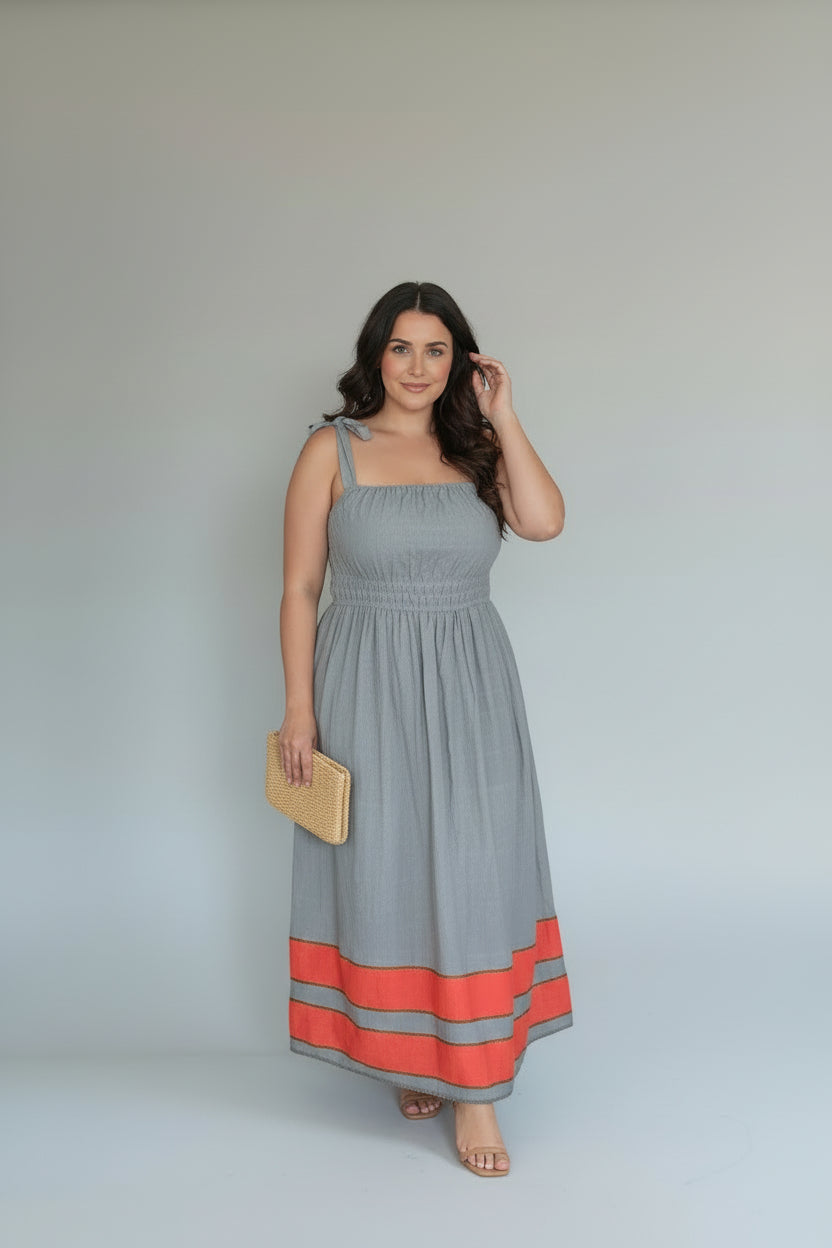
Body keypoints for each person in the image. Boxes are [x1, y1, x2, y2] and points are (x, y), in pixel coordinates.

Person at [279, 281, 573, 1177]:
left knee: (476, 870)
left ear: (462, 361)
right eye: (401, 347)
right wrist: (299, 710)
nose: (417, 367)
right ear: (376, 354)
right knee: (390, 871)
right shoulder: (332, 449)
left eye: (436, 350)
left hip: (471, 683)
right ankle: (416, 1058)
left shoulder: (476, 446)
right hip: (363, 686)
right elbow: (299, 588)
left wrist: (504, 414)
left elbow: (543, 522)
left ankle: (475, 1092)